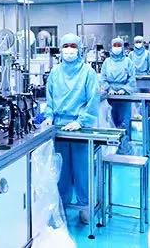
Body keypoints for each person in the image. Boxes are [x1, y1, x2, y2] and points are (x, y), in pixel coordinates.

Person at [43, 33, 99, 224]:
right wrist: (49, 115)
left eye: (73, 46)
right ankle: (62, 206)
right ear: (60, 49)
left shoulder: (88, 72)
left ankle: (85, 207)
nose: (69, 50)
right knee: (61, 171)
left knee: (82, 171)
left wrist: (81, 121)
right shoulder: (55, 72)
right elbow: (50, 96)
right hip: (59, 127)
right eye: (65, 46)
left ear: (79, 49)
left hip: (80, 128)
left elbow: (93, 99)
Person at [100, 37, 137, 154]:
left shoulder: (128, 62)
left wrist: (124, 89)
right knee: (111, 121)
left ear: (122, 47)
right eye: (114, 45)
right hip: (110, 97)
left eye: (118, 45)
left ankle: (124, 149)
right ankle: (111, 150)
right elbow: (103, 78)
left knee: (124, 122)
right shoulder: (107, 62)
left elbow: (132, 79)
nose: (116, 47)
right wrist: (108, 88)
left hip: (124, 97)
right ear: (111, 47)